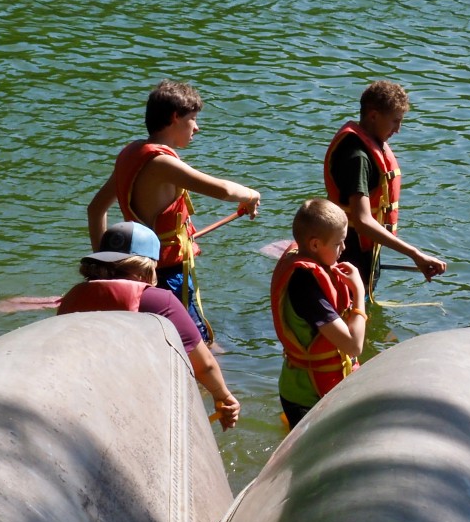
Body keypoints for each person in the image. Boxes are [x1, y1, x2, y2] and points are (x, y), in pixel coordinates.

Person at [87, 80, 260, 343]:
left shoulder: (131, 154)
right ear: (175, 117)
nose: (197, 128)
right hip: (168, 273)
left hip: (139, 269)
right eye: (192, 119)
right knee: (196, 343)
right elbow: (223, 190)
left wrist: (105, 265)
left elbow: (95, 210)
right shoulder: (162, 163)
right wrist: (251, 195)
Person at [59, 221, 240, 430]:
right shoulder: (159, 301)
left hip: (83, 395)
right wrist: (223, 396)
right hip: (135, 400)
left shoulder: (72, 297)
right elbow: (204, 365)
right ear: (148, 266)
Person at [323, 80, 445, 297]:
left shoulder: (369, 144)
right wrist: (415, 254)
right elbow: (362, 221)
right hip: (348, 254)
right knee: (354, 315)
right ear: (373, 115)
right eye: (395, 121)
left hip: (363, 252)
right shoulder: (357, 157)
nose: (398, 130)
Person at [272, 199, 366, 429]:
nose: (343, 249)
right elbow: (354, 346)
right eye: (338, 243)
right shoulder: (305, 286)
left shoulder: (302, 260)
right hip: (307, 397)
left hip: (299, 387)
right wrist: (359, 291)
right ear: (314, 245)